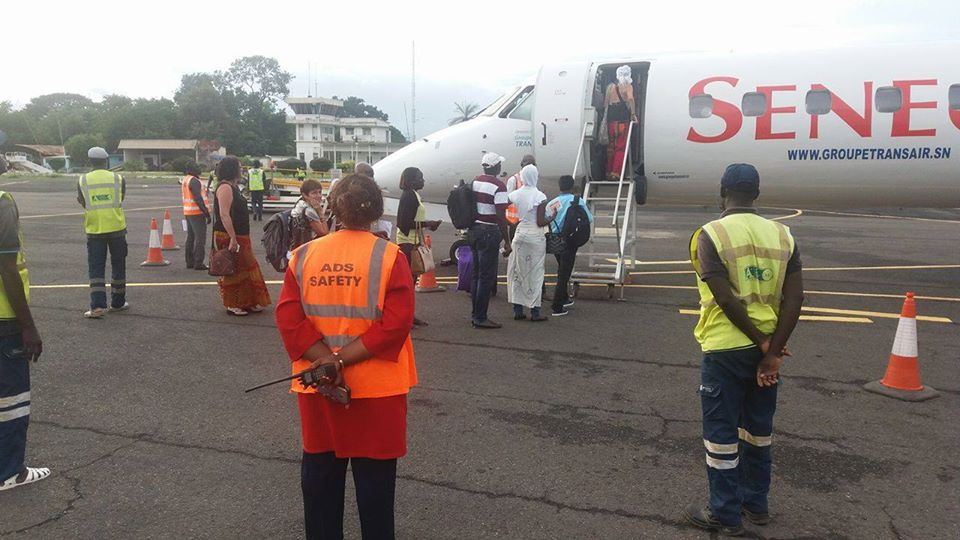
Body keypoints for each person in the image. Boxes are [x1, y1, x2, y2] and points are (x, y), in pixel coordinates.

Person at [276, 173, 417, 540]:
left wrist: (327, 360)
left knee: (320, 481)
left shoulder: (304, 256)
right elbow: (396, 323)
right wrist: (342, 360)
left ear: (333, 206)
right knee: (375, 491)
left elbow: (289, 318)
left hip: (319, 386)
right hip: (378, 390)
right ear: (377, 210)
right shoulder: (390, 257)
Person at [684, 163, 804, 536]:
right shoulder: (783, 235)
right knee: (758, 430)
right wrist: (772, 349)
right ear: (757, 194)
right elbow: (796, 297)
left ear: (722, 191)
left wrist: (761, 340)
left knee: (721, 433)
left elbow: (724, 298)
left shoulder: (710, 234)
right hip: (768, 352)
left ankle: (724, 513)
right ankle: (757, 504)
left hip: (725, 349)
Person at [0, 157, 50, 491]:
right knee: (12, 398)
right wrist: (28, 325)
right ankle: (9, 471)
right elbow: (6, 266)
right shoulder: (2, 203)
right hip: (4, 319)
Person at [213, 156, 272, 316]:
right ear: (232, 169)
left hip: (241, 234)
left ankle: (248, 301)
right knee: (235, 269)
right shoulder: (225, 187)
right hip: (229, 235)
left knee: (245, 268)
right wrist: (232, 238)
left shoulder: (234, 187)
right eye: (239, 167)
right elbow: (224, 215)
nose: (242, 169)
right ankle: (233, 303)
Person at [78, 147, 128, 319]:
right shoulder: (118, 178)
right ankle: (118, 302)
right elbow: (120, 198)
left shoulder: (83, 180)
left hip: (95, 230)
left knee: (96, 268)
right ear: (106, 160)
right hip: (117, 228)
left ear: (90, 161)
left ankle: (98, 306)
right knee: (118, 265)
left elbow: (82, 201)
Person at [469, 152, 512, 329]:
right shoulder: (498, 185)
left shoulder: (475, 181)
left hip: (475, 231)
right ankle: (480, 316)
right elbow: (500, 216)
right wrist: (507, 241)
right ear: (495, 167)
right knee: (486, 277)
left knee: (476, 274)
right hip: (489, 231)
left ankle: (475, 313)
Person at [395, 167, 441, 327]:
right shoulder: (409, 196)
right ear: (412, 180)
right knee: (408, 283)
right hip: (407, 243)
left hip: (412, 242)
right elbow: (403, 223)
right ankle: (404, 318)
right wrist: (428, 223)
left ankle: (409, 315)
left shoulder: (413, 195)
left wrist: (427, 225)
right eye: (420, 178)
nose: (423, 181)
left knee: (411, 282)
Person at [506, 165, 551, 322]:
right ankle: (535, 312)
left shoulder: (514, 195)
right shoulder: (540, 196)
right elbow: (540, 222)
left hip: (519, 234)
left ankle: (517, 311)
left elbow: (503, 211)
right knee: (536, 274)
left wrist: (513, 223)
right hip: (536, 237)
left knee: (518, 272)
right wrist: (552, 217)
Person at [546, 175, 593, 317]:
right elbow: (589, 218)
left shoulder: (553, 202)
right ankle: (557, 305)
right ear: (572, 187)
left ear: (559, 187)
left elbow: (546, 219)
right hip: (570, 240)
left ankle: (564, 298)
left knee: (562, 268)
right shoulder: (577, 201)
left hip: (555, 239)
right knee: (564, 274)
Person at [604, 65, 638, 179]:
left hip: (611, 121)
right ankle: (616, 173)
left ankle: (608, 171)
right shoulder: (627, 86)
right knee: (620, 147)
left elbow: (606, 103)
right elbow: (630, 98)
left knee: (611, 147)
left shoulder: (610, 87)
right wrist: (633, 114)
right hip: (622, 120)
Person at [182, 161, 211, 271]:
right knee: (200, 238)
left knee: (191, 237)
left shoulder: (186, 179)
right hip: (197, 213)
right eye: (196, 167)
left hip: (188, 211)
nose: (199, 168)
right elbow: (198, 198)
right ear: (191, 169)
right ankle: (198, 262)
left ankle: (190, 261)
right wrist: (206, 213)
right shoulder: (194, 181)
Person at [290, 178, 330, 251]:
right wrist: (320, 213)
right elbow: (324, 233)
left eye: (320, 192)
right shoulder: (309, 211)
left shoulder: (299, 204)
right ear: (305, 195)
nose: (319, 195)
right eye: (314, 193)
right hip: (307, 249)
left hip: (296, 246)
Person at [504, 155, 535, 241]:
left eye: (532, 164)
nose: (530, 166)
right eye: (528, 163)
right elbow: (509, 201)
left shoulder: (533, 179)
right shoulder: (513, 180)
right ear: (522, 164)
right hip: (516, 219)